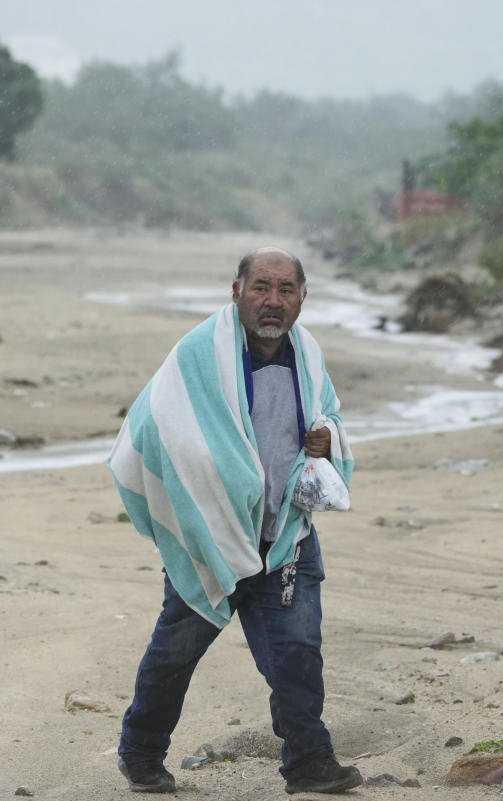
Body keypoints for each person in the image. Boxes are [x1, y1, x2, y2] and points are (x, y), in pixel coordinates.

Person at [108, 246, 361, 795]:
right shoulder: (200, 353)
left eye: (286, 290)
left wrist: (326, 439)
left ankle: (309, 763)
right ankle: (141, 755)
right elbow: (153, 425)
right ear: (236, 291)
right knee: (175, 654)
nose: (273, 301)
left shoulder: (307, 356)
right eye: (261, 288)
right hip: (212, 536)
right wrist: (208, 488)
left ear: (302, 298)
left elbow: (329, 419)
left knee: (297, 655)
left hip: (284, 538)